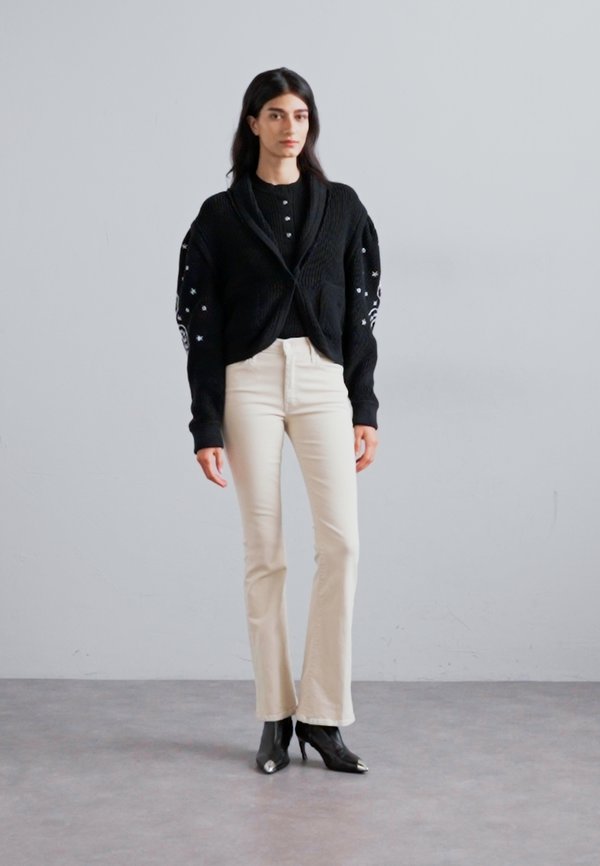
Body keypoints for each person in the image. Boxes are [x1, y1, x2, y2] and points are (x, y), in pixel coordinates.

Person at [175, 67, 382, 774]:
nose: (290, 127)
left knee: (342, 545)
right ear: (253, 123)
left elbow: (361, 316)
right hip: (250, 383)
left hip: (324, 380)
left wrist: (365, 406)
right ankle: (275, 714)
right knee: (265, 553)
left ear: (309, 124)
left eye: (300, 115)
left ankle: (322, 716)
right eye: (275, 114)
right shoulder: (219, 216)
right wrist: (206, 425)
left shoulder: (344, 207)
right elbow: (202, 329)